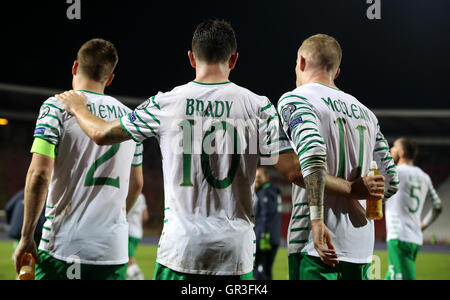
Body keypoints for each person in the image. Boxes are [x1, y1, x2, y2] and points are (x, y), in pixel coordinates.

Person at [55, 21, 385, 280]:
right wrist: (350, 188)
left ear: (191, 57)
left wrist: (79, 108)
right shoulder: (260, 106)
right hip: (235, 252)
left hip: (180, 250)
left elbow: (100, 135)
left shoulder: (165, 102)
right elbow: (298, 172)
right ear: (234, 59)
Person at [14, 38, 144, 280]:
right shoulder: (130, 118)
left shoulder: (55, 107)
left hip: (63, 246)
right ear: (110, 78)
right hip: (112, 250)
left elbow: (39, 174)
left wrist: (26, 236)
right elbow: (137, 184)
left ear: (75, 67)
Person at [278, 34, 399, 280]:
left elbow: (310, 159)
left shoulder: (296, 99)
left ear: (301, 62)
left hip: (316, 245)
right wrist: (363, 192)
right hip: (360, 248)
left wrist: (317, 220)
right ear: (337, 71)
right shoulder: (367, 114)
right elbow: (391, 182)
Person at [385, 138, 442, 280]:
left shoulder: (395, 173)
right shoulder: (424, 177)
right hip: (415, 237)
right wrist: (423, 225)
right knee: (392, 275)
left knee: (401, 277)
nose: (391, 149)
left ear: (402, 153)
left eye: (394, 147)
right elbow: (437, 206)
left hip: (398, 236)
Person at [253, 167, 282, 280]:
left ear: (267, 177)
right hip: (272, 236)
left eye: (259, 177)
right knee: (266, 270)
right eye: (255, 177)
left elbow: (266, 216)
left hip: (265, 238)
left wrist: (264, 237)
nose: (257, 180)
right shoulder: (273, 191)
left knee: (260, 270)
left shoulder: (266, 192)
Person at [127, 193, 149, 280]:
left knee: (130, 261)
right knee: (129, 260)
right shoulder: (141, 196)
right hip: (138, 232)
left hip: (128, 232)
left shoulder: (126, 194)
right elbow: (145, 216)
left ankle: (139, 277)